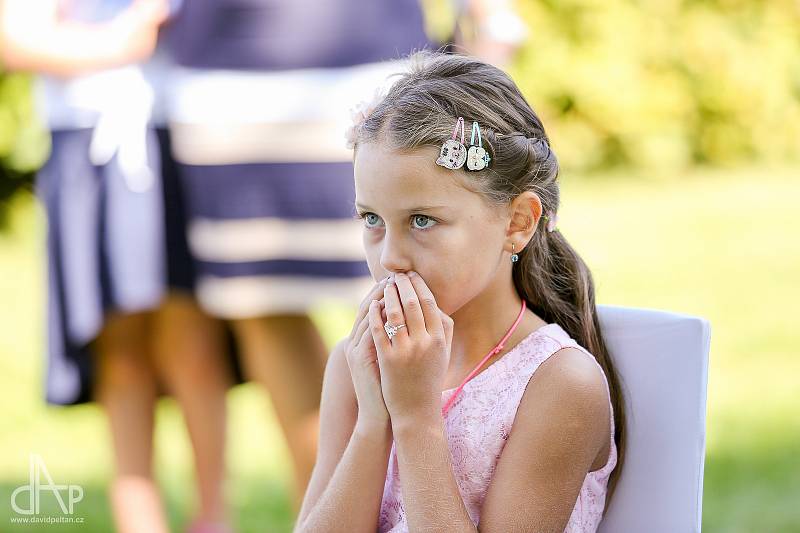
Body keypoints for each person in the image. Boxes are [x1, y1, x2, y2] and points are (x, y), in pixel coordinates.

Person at [294, 50, 627, 533]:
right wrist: (373, 421)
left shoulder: (559, 385)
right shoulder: (359, 365)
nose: (390, 257)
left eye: (423, 221)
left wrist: (415, 420)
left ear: (517, 222)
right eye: (372, 219)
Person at [0, 1, 233, 532]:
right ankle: (139, 521)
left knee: (191, 341)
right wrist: (121, 41)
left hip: (179, 126)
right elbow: (15, 36)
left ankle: (214, 518)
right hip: (87, 138)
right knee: (119, 350)